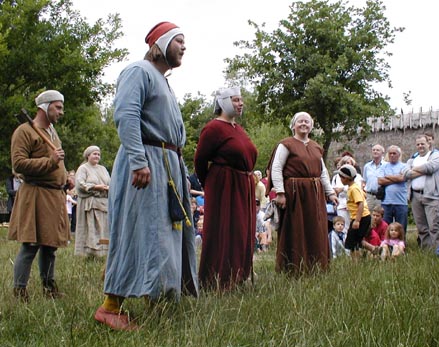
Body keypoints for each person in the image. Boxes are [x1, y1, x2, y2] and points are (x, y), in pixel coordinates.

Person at [94, 22, 198, 331]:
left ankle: (156, 302)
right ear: (160, 43)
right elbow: (126, 115)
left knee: (163, 237)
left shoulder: (163, 81)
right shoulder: (138, 70)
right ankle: (110, 307)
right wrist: (139, 160)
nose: (184, 46)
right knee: (138, 233)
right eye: (178, 40)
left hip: (166, 164)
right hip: (147, 164)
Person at [8, 90, 70, 301]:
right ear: (44, 107)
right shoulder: (24, 131)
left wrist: (65, 176)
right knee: (30, 245)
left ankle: (49, 288)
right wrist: (51, 162)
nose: (61, 112)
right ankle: (19, 291)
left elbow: (58, 159)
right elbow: (18, 164)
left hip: (54, 196)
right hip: (35, 194)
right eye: (58, 107)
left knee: (50, 245)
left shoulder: (52, 132)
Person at [195, 86, 257, 290]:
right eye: (236, 100)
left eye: (241, 100)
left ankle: (238, 274)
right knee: (225, 230)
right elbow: (200, 160)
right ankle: (217, 278)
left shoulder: (238, 129)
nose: (240, 104)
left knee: (241, 231)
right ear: (223, 102)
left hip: (242, 186)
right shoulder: (213, 128)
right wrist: (212, 186)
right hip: (225, 186)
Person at [266, 112, 337, 274]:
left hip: (314, 194)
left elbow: (322, 172)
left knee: (316, 227)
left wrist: (330, 193)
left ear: (311, 126)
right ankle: (294, 267)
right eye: (300, 121)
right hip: (295, 193)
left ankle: (316, 265)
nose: (304, 124)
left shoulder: (316, 147)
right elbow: (276, 168)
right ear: (293, 125)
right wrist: (280, 192)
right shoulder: (286, 144)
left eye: (307, 121)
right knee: (295, 228)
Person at [404, 134, 439, 249]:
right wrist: (422, 170)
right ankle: (427, 250)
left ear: (428, 144)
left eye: (423, 143)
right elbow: (406, 173)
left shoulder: (435, 156)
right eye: (418, 144)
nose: (420, 146)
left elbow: (431, 167)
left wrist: (414, 170)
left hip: (430, 195)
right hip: (415, 196)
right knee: (421, 227)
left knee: (434, 226)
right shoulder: (412, 160)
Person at [74, 145, 111, 257]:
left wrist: (109, 188)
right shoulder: (83, 168)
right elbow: (80, 184)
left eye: (98, 154)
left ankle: (103, 252)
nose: (97, 156)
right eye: (94, 154)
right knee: (91, 229)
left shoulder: (103, 169)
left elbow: (110, 182)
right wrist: (95, 187)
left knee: (103, 229)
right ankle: (89, 253)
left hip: (103, 203)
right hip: (89, 204)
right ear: (88, 155)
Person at [336, 164, 371, 258]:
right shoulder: (353, 187)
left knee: (352, 243)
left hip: (361, 218)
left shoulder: (354, 189)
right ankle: (374, 250)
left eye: (341, 177)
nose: (340, 180)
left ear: (346, 178)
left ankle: (356, 263)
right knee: (354, 241)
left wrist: (357, 221)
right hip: (359, 217)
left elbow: (361, 204)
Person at [378, 145, 409, 234]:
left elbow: (402, 178)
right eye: (390, 153)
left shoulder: (404, 166)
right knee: (386, 227)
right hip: (386, 202)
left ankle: (401, 245)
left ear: (399, 155)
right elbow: (380, 181)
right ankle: (387, 245)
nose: (392, 155)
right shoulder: (384, 166)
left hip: (401, 202)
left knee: (401, 227)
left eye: (394, 153)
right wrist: (396, 178)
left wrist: (387, 176)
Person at [363, 144, 386, 212]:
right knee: (368, 216)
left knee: (380, 215)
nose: (375, 151)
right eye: (373, 150)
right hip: (369, 196)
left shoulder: (386, 165)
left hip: (381, 196)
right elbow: (364, 181)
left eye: (377, 150)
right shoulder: (367, 166)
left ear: (382, 152)